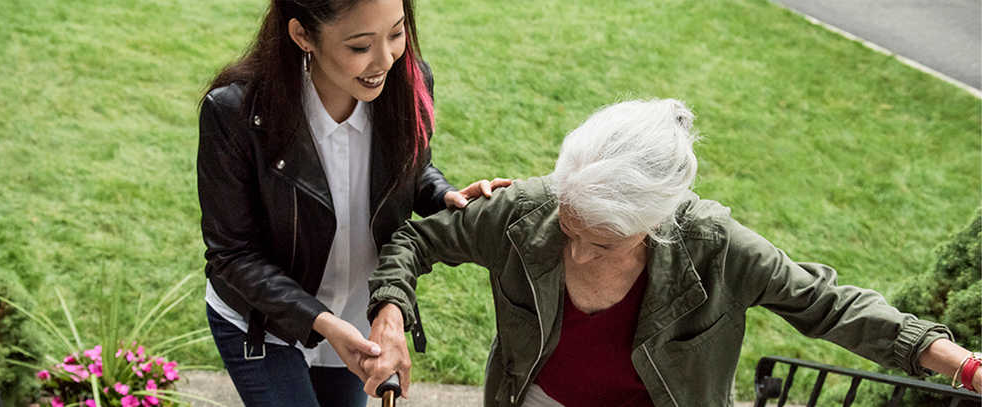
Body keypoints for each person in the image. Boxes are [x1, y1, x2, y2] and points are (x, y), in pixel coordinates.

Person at [362, 99, 982, 406]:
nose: (577, 255)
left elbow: (829, 305)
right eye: (569, 228)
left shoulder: (714, 246)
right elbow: (416, 239)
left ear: (657, 223)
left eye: (602, 242)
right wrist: (390, 312)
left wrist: (966, 367)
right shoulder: (527, 210)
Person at [196, 0, 508, 405]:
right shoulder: (235, 112)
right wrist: (323, 322)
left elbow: (413, 168)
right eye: (361, 46)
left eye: (396, 33)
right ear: (302, 35)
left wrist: (443, 195)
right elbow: (233, 253)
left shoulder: (409, 82)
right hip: (264, 322)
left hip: (356, 315)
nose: (386, 60)